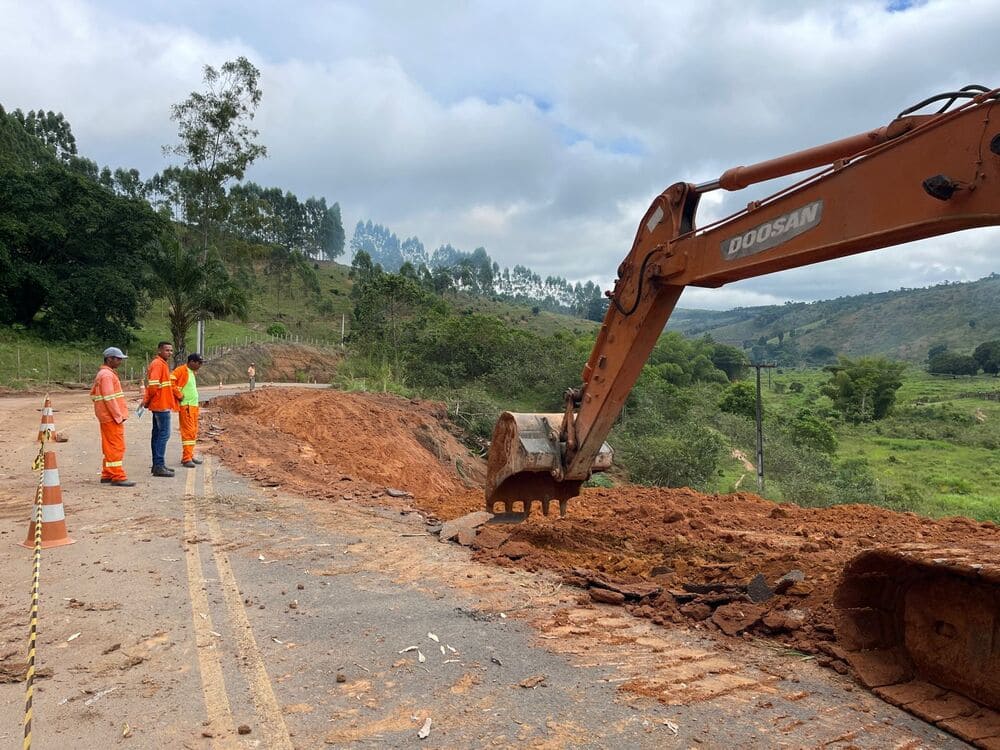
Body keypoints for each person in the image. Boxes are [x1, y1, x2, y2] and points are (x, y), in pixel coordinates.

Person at [91, 347, 135, 487]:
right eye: (118, 358)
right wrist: (118, 416)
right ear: (109, 359)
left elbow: (93, 394)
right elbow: (109, 398)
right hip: (111, 417)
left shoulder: (103, 374)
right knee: (116, 446)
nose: (120, 361)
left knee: (109, 446)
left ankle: (108, 473)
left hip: (106, 416)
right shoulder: (107, 375)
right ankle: (117, 476)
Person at [143, 341, 178, 477]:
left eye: (170, 350)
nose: (169, 353)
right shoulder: (158, 364)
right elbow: (153, 386)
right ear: (159, 351)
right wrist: (147, 401)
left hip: (161, 404)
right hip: (160, 405)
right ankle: (158, 465)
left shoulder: (161, 364)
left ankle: (158, 465)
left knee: (157, 434)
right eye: (167, 350)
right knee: (164, 434)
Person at [172, 353, 205, 468]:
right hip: (186, 406)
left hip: (193, 406)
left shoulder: (191, 372)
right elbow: (171, 382)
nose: (200, 365)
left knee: (193, 431)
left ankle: (189, 455)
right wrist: (179, 395)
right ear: (192, 362)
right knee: (188, 432)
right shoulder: (181, 370)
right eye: (199, 363)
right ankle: (187, 458)